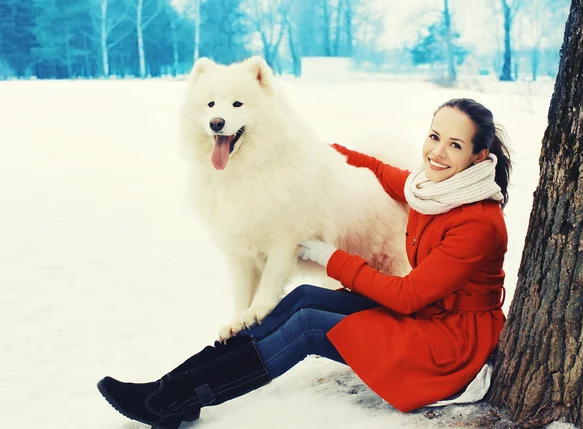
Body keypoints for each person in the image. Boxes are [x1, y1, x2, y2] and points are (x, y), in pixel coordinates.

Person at [97, 98, 512, 429]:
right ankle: (168, 391)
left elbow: (405, 297)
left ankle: (178, 399)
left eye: (455, 145)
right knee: (303, 296)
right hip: (428, 317)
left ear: (478, 157)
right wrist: (315, 151)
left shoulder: (477, 222)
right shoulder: (431, 188)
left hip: (449, 347)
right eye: (434, 136)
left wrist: (333, 259)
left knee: (309, 325)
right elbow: (383, 172)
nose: (437, 153)